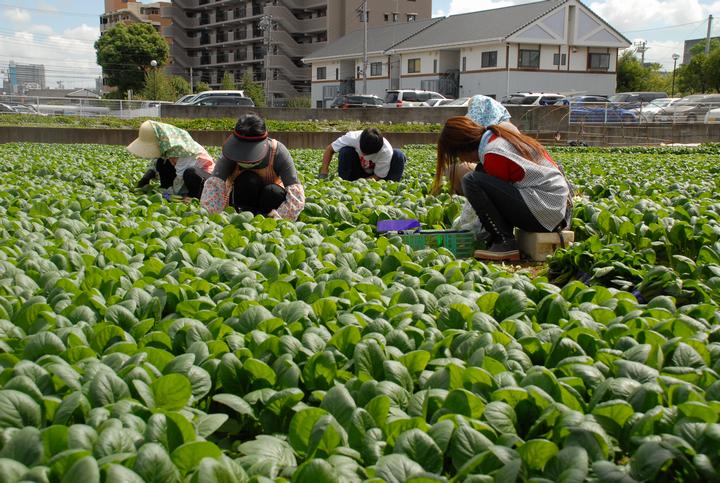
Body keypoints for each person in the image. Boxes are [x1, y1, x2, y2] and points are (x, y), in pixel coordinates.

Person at [435, 116, 571, 261]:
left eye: (457, 155)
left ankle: (504, 242)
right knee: (478, 175)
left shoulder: (493, 153)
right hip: (554, 209)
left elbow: (494, 204)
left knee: (471, 180)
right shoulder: (497, 138)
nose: (462, 161)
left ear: (463, 146)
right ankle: (500, 241)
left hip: (546, 210)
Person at [201, 114, 305, 220]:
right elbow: (214, 186)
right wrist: (213, 217)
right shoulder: (229, 153)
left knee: (272, 191)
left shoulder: (277, 152)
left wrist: (277, 218)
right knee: (248, 180)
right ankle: (243, 216)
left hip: (270, 204)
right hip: (241, 200)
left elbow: (295, 194)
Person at [442, 95, 520, 195]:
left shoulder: (493, 149)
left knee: (459, 170)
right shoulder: (501, 130)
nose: (463, 159)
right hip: (534, 196)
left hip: (532, 201)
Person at [129, 120, 215, 199]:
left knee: (190, 173)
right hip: (186, 177)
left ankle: (192, 198)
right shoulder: (167, 147)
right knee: (161, 162)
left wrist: (169, 194)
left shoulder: (183, 150)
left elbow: (180, 178)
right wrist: (148, 175)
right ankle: (170, 190)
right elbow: (156, 162)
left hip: (203, 181)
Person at [318, 128, 406, 181]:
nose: (365, 155)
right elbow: (329, 149)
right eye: (363, 152)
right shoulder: (352, 137)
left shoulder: (386, 150)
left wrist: (362, 183)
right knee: (345, 151)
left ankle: (392, 188)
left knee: (398, 155)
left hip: (377, 178)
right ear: (359, 141)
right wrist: (324, 172)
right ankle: (344, 181)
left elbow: (378, 176)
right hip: (357, 172)